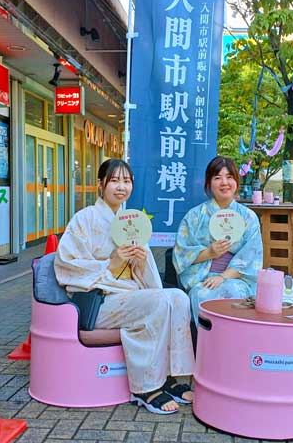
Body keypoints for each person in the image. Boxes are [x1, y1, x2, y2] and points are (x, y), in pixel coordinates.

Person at [54, 158, 194, 415]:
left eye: (127, 181)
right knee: (157, 301)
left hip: (128, 295)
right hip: (99, 301)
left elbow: (148, 279)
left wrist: (140, 261)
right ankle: (146, 387)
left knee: (178, 298)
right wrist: (110, 263)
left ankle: (172, 376)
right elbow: (66, 264)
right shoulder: (84, 219)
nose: (121, 187)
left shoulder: (130, 222)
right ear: (100, 184)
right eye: (115, 180)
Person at [173, 156, 263, 325]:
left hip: (236, 278)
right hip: (202, 278)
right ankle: (209, 340)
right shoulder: (195, 216)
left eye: (229, 177)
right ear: (208, 183)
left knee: (234, 292)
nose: (224, 182)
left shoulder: (248, 217)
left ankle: (233, 340)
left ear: (236, 181)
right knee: (201, 294)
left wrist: (223, 277)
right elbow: (181, 255)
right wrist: (210, 253)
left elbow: (251, 258)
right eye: (217, 177)